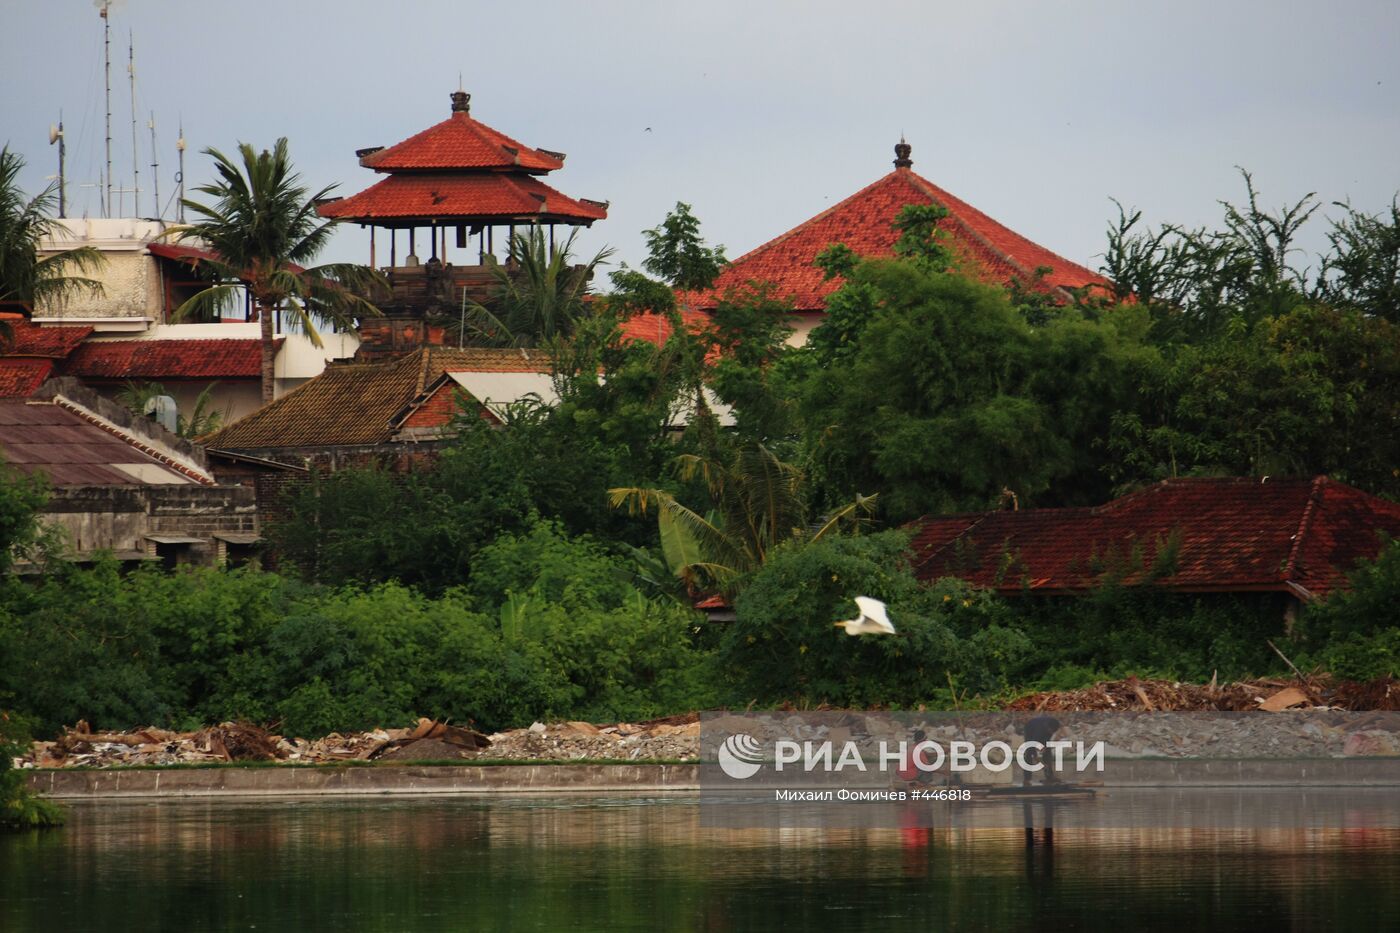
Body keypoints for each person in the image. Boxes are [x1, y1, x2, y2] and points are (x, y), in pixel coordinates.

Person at [1019, 715, 1063, 786]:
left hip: (1043, 726)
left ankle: (1049, 776)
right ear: (1048, 728)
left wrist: (1045, 748)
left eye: (1052, 732)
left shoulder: (1053, 724)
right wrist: (1039, 762)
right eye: (1050, 731)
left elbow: (1047, 741)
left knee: (1047, 751)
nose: (1051, 733)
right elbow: (1032, 747)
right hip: (1030, 728)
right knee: (1029, 753)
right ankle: (1027, 779)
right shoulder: (1038, 732)